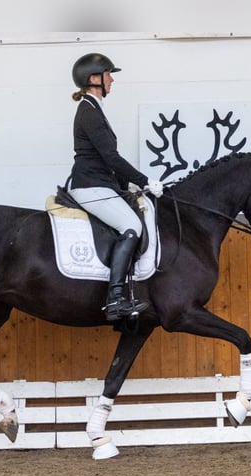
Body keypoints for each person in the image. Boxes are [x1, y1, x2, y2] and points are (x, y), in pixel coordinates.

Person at [67, 52, 163, 321]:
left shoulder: (94, 109)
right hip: (90, 186)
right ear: (94, 79)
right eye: (108, 74)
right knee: (130, 228)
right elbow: (111, 158)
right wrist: (146, 182)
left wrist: (129, 187)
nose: (112, 80)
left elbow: (107, 160)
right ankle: (116, 298)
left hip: (101, 183)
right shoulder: (88, 112)